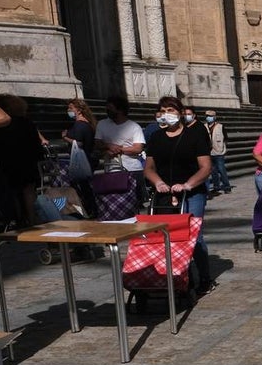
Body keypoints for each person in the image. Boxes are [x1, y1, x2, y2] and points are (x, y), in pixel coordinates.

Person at [142, 96, 215, 294]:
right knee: (167, 236)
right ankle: (177, 275)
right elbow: (149, 167)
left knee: (194, 235)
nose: (167, 114)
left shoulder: (195, 135)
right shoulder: (157, 137)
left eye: (172, 110)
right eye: (164, 110)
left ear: (181, 112)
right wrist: (158, 182)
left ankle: (204, 277)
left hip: (191, 192)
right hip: (165, 193)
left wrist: (188, 184)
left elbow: (205, 167)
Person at [0, 94, 44, 227]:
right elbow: (36, 143)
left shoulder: (2, 125)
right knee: (28, 190)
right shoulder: (26, 122)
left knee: (13, 190)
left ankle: (18, 219)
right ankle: (32, 218)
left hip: (7, 160)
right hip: (27, 160)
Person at [94, 95, 146, 174]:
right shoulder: (101, 124)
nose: (107, 110)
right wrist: (108, 146)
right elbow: (97, 143)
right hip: (111, 168)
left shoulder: (134, 127)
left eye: (110, 108)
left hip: (132, 168)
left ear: (120, 110)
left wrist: (119, 150)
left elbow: (138, 148)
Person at [204, 110, 231, 194]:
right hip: (209, 152)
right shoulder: (204, 126)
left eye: (210, 116)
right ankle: (216, 187)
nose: (208, 117)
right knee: (213, 171)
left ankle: (227, 186)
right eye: (207, 116)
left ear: (214, 117)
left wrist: (223, 147)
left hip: (219, 152)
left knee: (221, 170)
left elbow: (226, 138)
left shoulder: (220, 126)